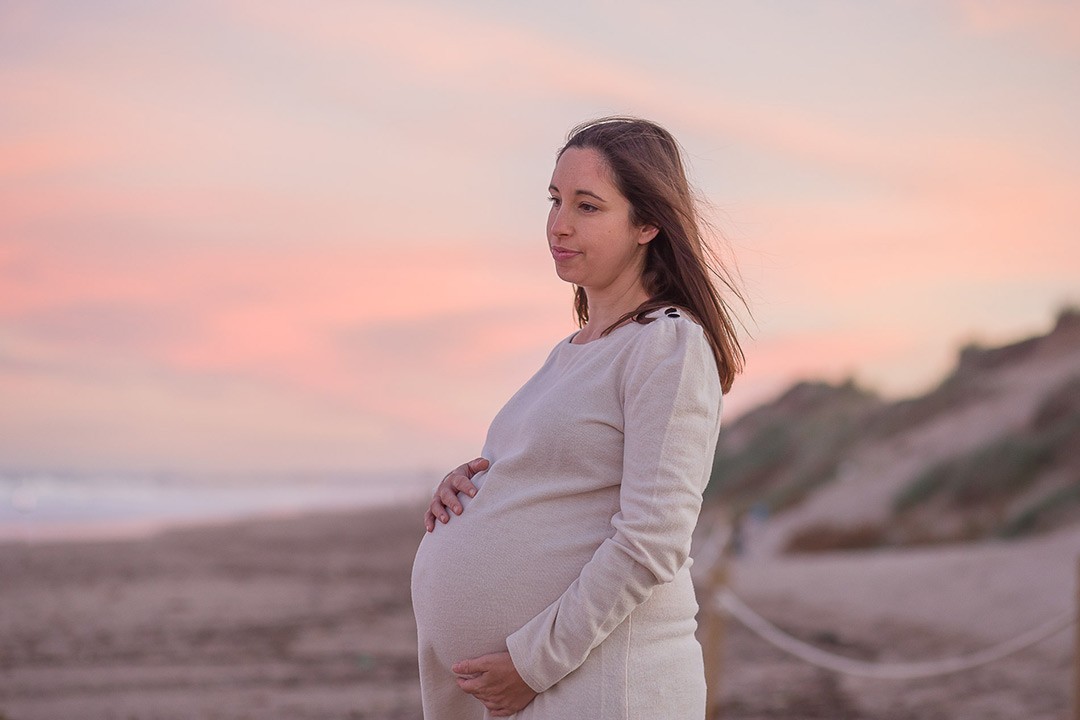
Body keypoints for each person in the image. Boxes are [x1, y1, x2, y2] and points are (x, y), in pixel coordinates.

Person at [410, 116, 745, 719]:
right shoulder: (571, 352)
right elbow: (555, 478)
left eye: (588, 206)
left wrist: (532, 662)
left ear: (647, 223)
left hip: (603, 686)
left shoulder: (667, 344)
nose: (558, 225)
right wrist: (471, 490)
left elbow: (654, 538)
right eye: (555, 200)